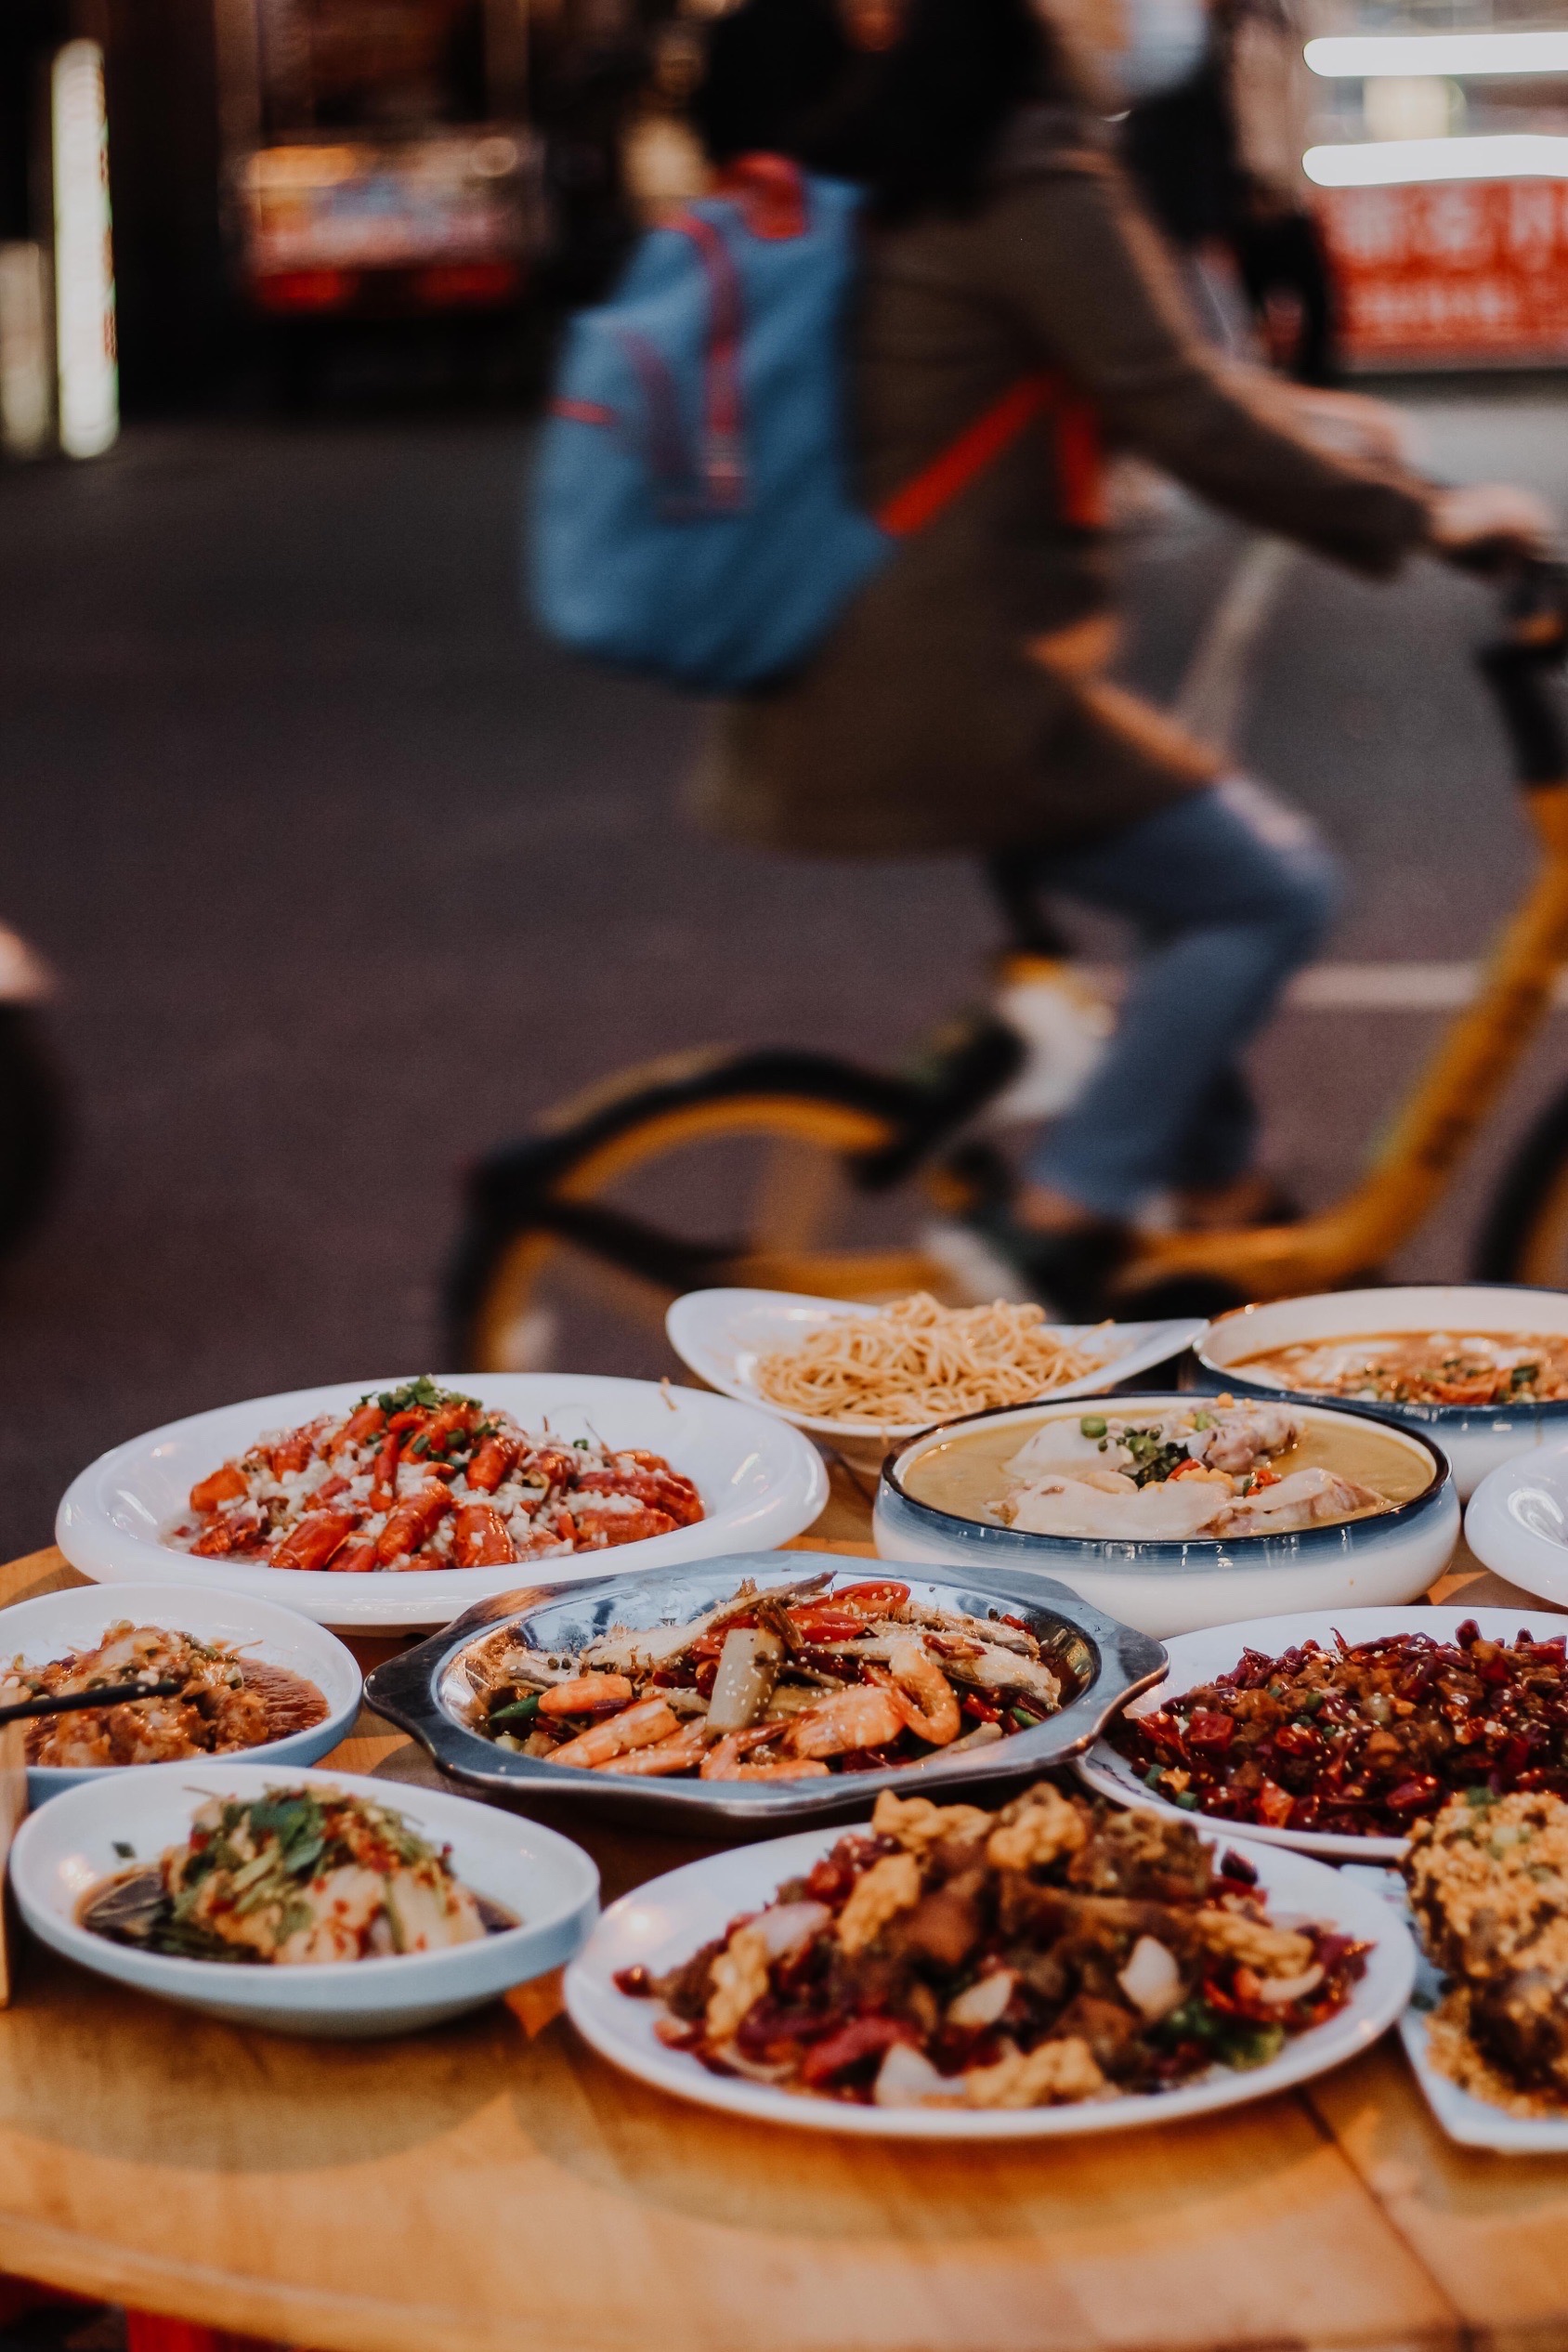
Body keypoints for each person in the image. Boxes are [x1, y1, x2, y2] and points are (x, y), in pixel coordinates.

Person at [685, 0, 1554, 1312]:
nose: (1150, 15)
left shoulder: (942, 157)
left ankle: (1225, 1220)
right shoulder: (1029, 172)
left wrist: (1323, 424)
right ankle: (1062, 1214)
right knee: (1269, 893)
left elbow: (1134, 367)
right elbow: (1175, 405)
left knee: (1187, 900)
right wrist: (1423, 517)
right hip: (955, 693)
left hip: (894, 669)